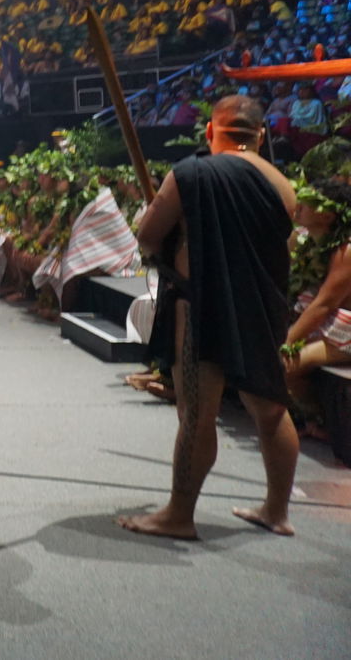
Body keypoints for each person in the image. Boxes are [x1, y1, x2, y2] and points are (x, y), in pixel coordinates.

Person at [121, 95, 300, 539]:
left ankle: (179, 515)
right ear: (261, 135)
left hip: (200, 308)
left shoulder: (190, 174)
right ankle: (276, 511)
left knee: (197, 414)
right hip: (260, 308)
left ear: (209, 132)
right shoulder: (284, 186)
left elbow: (147, 236)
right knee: (271, 408)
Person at [282, 179, 351, 440]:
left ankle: (328, 422)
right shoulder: (306, 241)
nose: (298, 207)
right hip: (325, 326)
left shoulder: (346, 250)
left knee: (286, 365)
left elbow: (323, 305)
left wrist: (288, 340)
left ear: (328, 214)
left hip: (344, 332)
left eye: (308, 203)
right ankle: (314, 416)